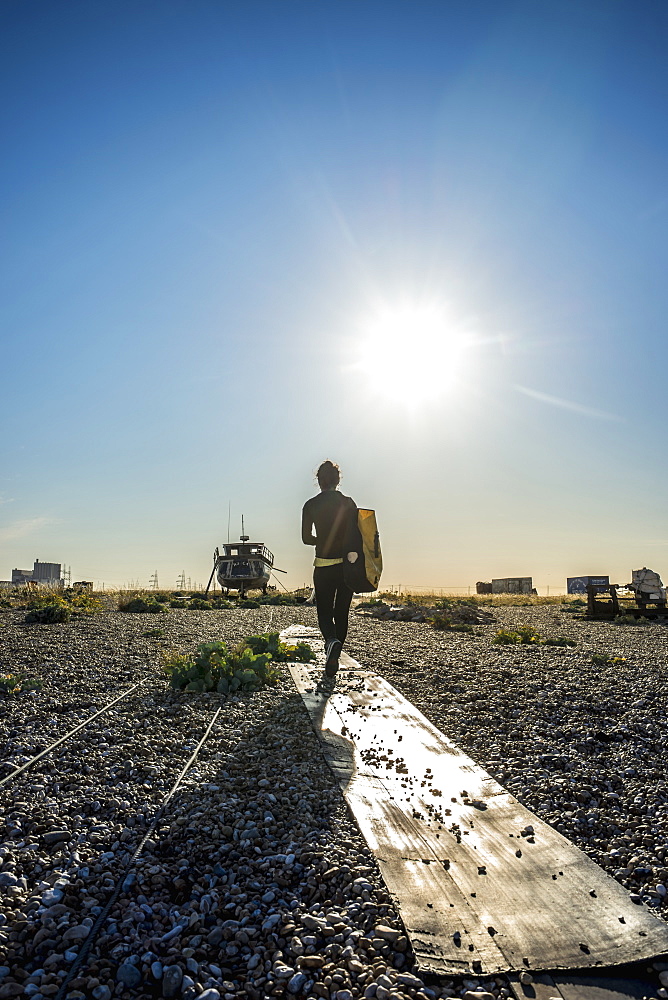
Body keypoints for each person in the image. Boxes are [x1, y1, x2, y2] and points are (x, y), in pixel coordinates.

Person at [302, 460, 358, 677]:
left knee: (324, 610)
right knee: (341, 611)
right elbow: (357, 532)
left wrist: (322, 539)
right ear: (338, 480)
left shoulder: (310, 505)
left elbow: (306, 538)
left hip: (323, 565)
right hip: (347, 566)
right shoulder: (349, 502)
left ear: (319, 481)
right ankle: (335, 653)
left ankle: (331, 643)